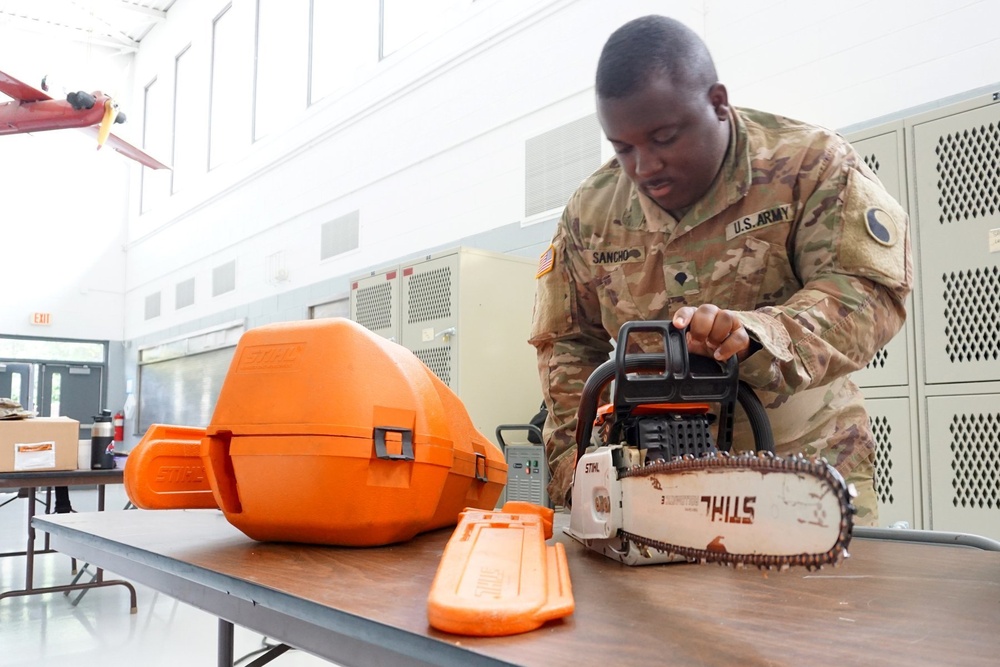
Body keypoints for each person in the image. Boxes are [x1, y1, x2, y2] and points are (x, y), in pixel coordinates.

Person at [528, 15, 911, 526]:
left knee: (820, 605)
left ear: (717, 102)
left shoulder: (809, 166)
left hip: (802, 468)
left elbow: (867, 294)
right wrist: (578, 472)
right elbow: (572, 345)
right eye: (623, 148)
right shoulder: (590, 213)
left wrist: (759, 335)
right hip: (652, 482)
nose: (644, 167)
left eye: (664, 137)